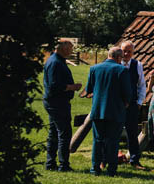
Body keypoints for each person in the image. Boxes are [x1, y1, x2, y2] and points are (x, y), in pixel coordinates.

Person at [83, 46, 135, 176]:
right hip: (115, 110)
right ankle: (111, 169)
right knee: (112, 140)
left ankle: (95, 168)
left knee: (98, 140)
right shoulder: (122, 70)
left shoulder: (94, 68)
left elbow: (88, 89)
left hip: (98, 109)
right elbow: (128, 93)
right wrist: (126, 103)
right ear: (118, 57)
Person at [43, 40, 81, 171]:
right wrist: (72, 87)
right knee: (64, 133)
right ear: (63, 48)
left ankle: (50, 163)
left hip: (54, 102)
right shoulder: (55, 63)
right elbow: (54, 86)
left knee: (54, 133)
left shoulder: (55, 60)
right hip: (57, 102)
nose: (72, 50)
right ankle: (64, 165)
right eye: (70, 48)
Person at [120, 41, 147, 169]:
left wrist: (139, 102)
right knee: (114, 132)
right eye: (124, 51)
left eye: (129, 51)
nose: (126, 54)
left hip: (132, 104)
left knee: (132, 132)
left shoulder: (137, 65)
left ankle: (134, 160)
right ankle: (110, 157)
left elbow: (142, 85)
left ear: (133, 52)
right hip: (117, 104)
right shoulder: (115, 63)